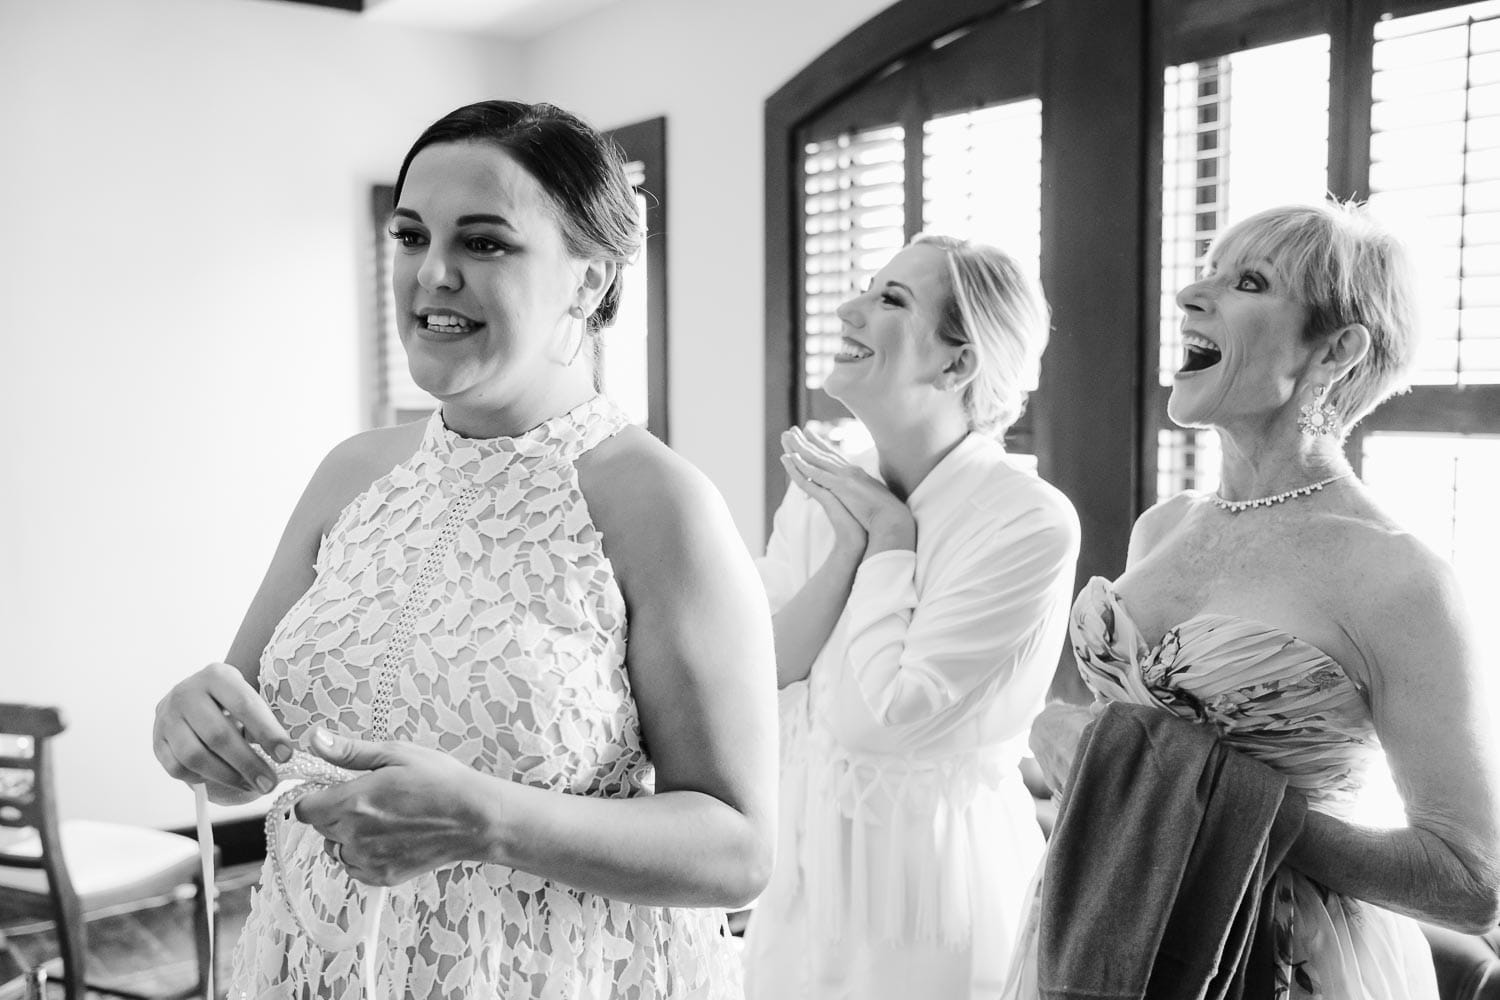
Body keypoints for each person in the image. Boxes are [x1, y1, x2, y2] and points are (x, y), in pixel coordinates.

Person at [152, 100, 777, 998]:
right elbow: (248, 746)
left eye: (483, 244)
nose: (431, 274)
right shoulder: (352, 472)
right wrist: (191, 725)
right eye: (410, 236)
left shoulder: (662, 505)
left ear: (590, 281)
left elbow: (739, 848)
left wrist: (489, 819)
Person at [1008, 202, 1500, 998]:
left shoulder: (1401, 580)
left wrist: (1205, 807)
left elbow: (1471, 882)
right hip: (1099, 917)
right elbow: (1134, 749)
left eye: (1247, 282)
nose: (1189, 297)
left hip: (1274, 957)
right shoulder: (1160, 526)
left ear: (1337, 350)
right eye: (1208, 271)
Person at [741, 234, 1081, 999]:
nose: (846, 307)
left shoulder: (1026, 521)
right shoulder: (825, 485)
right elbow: (763, 670)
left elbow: (882, 718)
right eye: (866, 287)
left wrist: (892, 542)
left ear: (958, 364)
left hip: (930, 908)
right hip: (801, 887)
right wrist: (849, 548)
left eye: (891, 299)